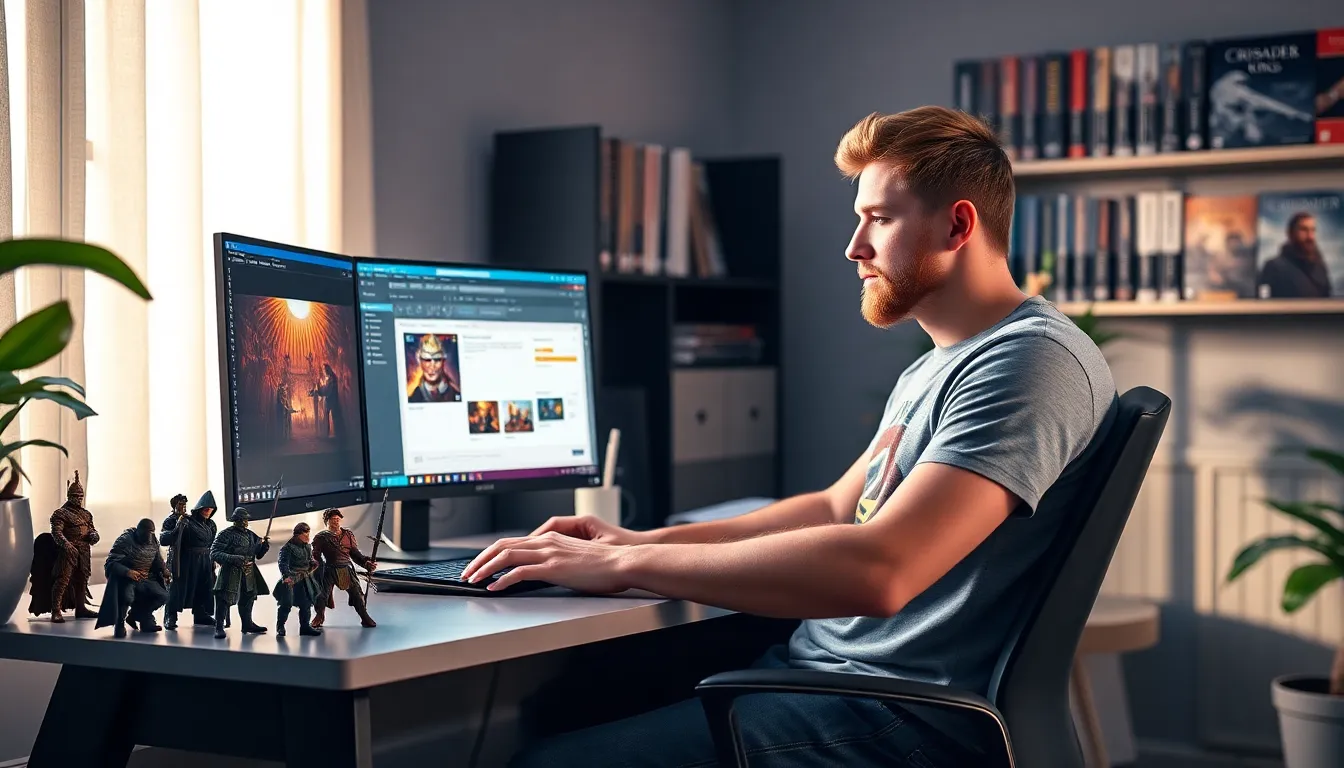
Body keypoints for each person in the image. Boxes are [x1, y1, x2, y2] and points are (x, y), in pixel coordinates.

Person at [463, 106, 1120, 768]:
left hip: (898, 717)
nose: (854, 247)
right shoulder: (940, 363)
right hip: (836, 681)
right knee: (570, 699)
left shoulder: (1031, 360)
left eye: (879, 219)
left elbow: (883, 570)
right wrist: (638, 542)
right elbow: (835, 508)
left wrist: (624, 567)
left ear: (958, 225)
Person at [95, 518, 169, 638]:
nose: (149, 535)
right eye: (146, 532)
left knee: (163, 596)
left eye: (151, 532)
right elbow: (111, 563)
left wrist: (164, 570)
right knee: (126, 596)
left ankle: (141, 616)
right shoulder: (125, 540)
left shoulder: (153, 541)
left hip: (146, 578)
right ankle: (120, 623)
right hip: (127, 579)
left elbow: (157, 560)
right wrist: (128, 572)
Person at [160, 490, 220, 630]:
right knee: (177, 588)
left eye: (210, 510)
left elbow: (212, 544)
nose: (208, 512)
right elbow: (164, 539)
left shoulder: (210, 525)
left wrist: (214, 559)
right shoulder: (175, 520)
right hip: (185, 560)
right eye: (205, 509)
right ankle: (170, 615)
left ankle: (201, 614)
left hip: (205, 560)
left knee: (203, 588)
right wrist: (178, 525)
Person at [209, 506, 271, 639]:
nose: (244, 522)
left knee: (248, 597)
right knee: (224, 598)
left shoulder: (251, 535)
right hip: (231, 571)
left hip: (248, 571)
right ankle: (219, 626)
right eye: (242, 519)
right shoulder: (226, 534)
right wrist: (234, 558)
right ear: (235, 520)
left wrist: (264, 547)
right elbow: (214, 552)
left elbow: (257, 555)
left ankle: (247, 624)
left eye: (245, 519)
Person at [311, 508, 377, 628]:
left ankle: (364, 617)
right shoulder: (321, 537)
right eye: (333, 519)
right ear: (327, 521)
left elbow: (355, 554)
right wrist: (316, 570)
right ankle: (319, 616)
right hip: (329, 569)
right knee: (321, 595)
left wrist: (366, 563)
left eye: (337, 519)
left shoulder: (348, 535)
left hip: (345, 569)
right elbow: (316, 556)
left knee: (357, 594)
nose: (336, 521)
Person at [1258, 212, 1332, 298]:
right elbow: (1263, 298)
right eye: (1304, 230)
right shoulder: (1273, 267)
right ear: (1291, 233)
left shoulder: (1320, 268)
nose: (1310, 236)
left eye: (1313, 230)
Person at [274, 521, 322, 637]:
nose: (308, 537)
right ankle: (280, 626)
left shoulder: (307, 546)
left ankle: (305, 627)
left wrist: (312, 563)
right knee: (286, 604)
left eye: (308, 534)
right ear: (298, 535)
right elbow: (283, 563)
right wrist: (286, 576)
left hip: (304, 578)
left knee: (306, 604)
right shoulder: (288, 548)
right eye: (305, 534)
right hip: (291, 580)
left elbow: (309, 559)